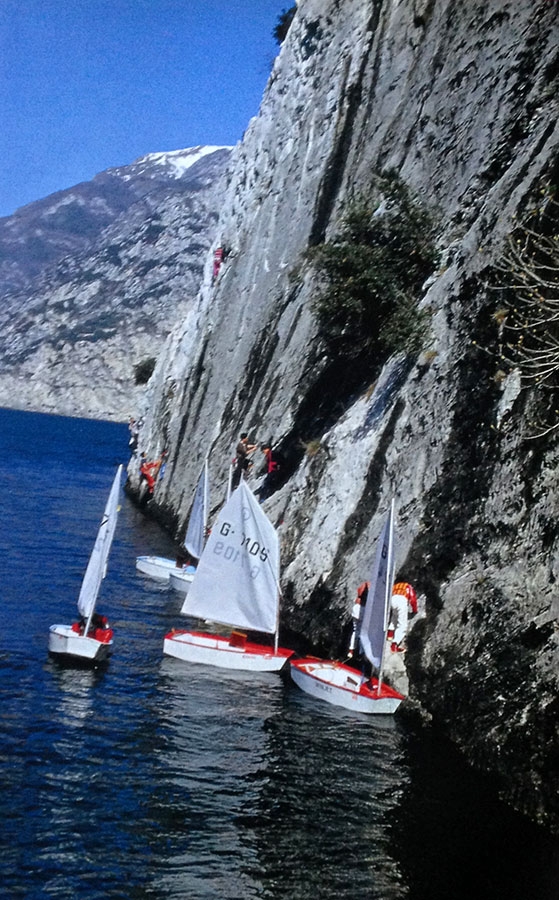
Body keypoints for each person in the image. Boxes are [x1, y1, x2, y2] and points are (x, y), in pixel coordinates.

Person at [389, 581, 418, 652]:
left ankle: (389, 635)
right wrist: (415, 610)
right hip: (402, 600)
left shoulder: (395, 586)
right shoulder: (407, 586)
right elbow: (413, 599)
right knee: (402, 625)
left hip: (392, 600)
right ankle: (394, 645)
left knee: (394, 617)